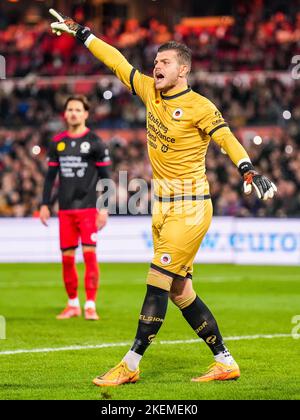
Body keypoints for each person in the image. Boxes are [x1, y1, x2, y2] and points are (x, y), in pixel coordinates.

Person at [49, 9, 277, 384]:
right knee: (180, 291)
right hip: (162, 207)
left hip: (190, 207)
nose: (156, 66)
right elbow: (118, 62)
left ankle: (131, 363)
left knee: (156, 278)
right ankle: (225, 360)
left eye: (165, 62)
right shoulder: (150, 94)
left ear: (182, 70)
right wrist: (84, 33)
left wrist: (247, 168)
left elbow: (225, 138)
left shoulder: (200, 106)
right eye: (155, 60)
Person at [40, 94, 111, 321]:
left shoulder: (95, 142)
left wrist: (105, 208)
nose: (73, 113)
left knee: (90, 256)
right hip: (65, 210)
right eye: (70, 109)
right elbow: (50, 178)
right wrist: (44, 204)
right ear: (65, 113)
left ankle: (90, 305)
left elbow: (106, 177)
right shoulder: (57, 143)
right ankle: (73, 304)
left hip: (88, 209)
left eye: (78, 110)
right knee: (67, 258)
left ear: (86, 114)